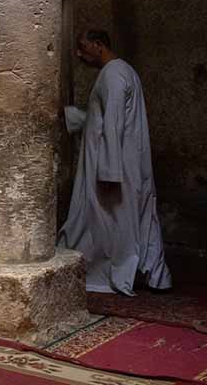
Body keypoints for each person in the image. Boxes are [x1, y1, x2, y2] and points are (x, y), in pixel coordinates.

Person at [58, 30, 172, 295]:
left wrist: (109, 171)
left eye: (83, 47)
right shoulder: (121, 72)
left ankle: (121, 271)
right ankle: (155, 275)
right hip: (124, 161)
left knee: (115, 221)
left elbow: (113, 123)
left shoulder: (113, 74)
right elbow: (101, 117)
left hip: (116, 165)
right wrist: (71, 117)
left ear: (99, 46)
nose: (79, 54)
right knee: (135, 217)